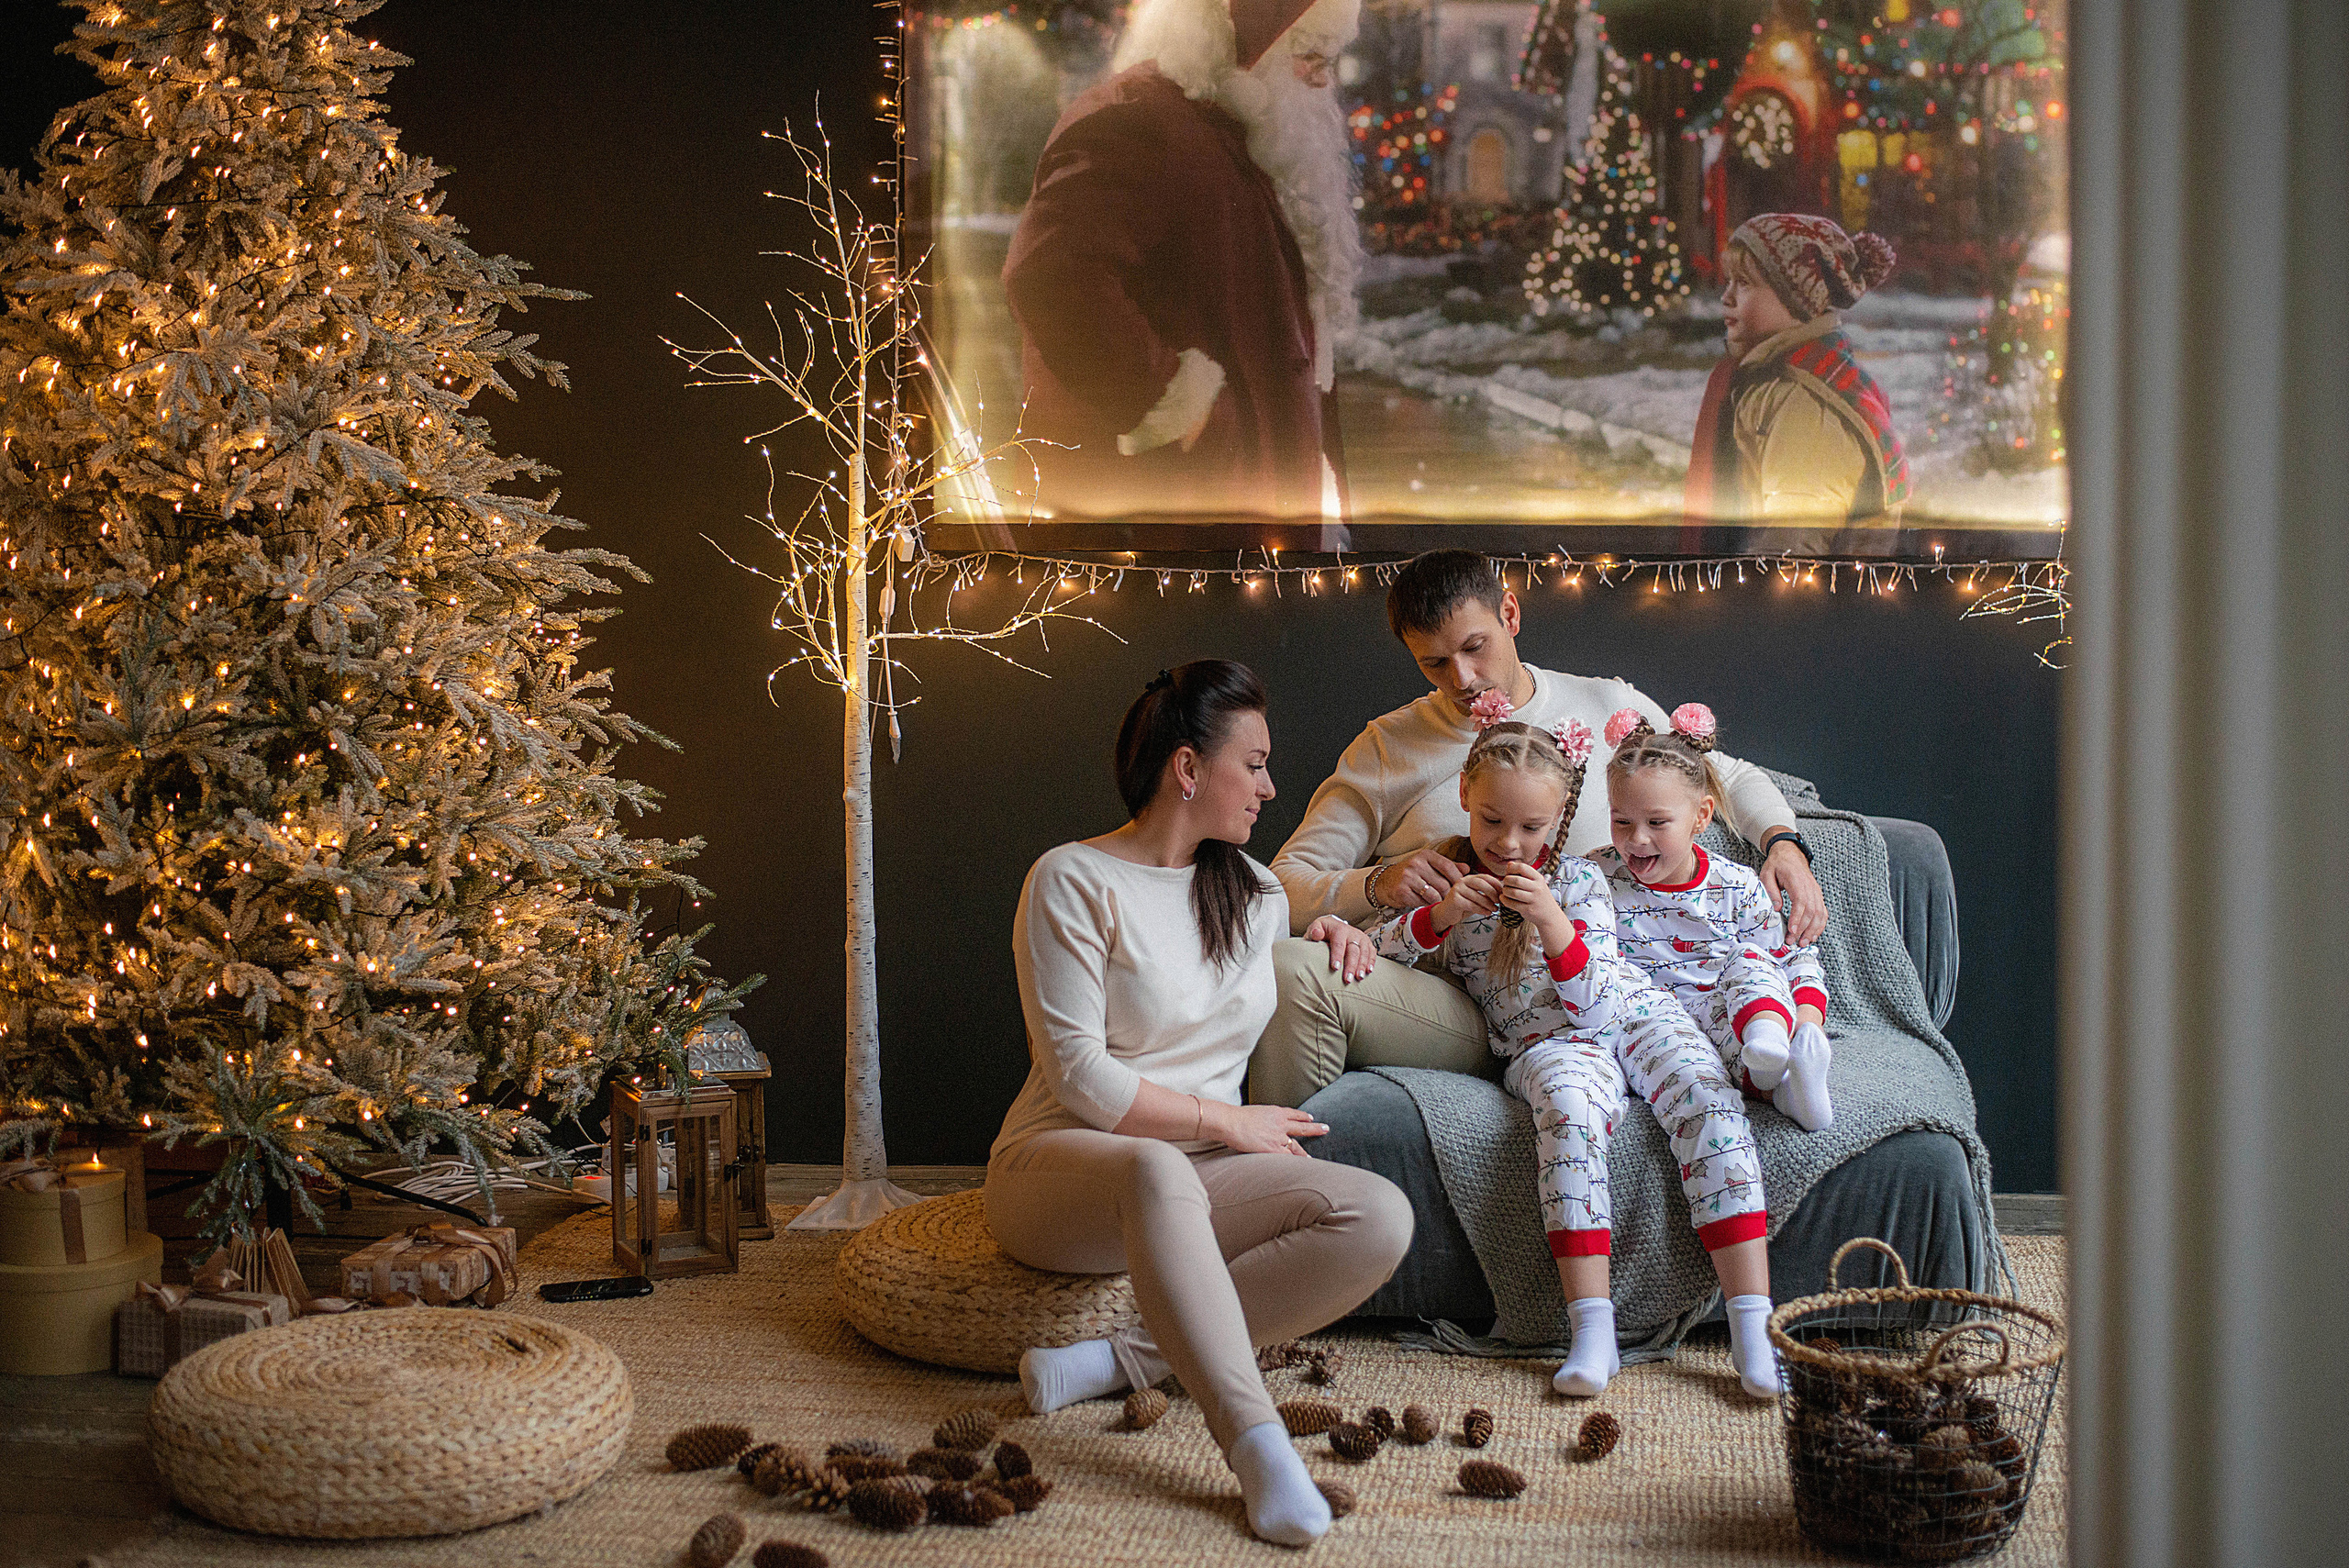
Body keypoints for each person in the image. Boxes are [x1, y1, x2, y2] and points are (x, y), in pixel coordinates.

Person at [988, 660, 1408, 1549]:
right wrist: (1226, 1121)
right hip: (1061, 1169)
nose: (1269, 786)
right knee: (1154, 1166)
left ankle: (1120, 1361)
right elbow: (1080, 1077)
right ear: (1187, 767)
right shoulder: (1071, 877)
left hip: (1190, 1175)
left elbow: (1285, 938)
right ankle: (1256, 1445)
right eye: (1252, 764)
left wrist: (1335, 928)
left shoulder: (1253, 891)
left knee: (1377, 1215)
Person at [1256, 549, 1826, 1107]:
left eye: (1474, 647)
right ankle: (1279, 1162)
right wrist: (1379, 883)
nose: (1462, 678)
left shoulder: (1608, 706)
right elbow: (1282, 885)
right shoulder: (1386, 748)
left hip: (1612, 982)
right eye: (1434, 663)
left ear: (1510, 614)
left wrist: (1783, 844)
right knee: (1292, 971)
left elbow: (1725, 775)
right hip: (1468, 998)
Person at [1358, 706, 1782, 1400]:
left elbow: (1597, 1004)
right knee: (1568, 1108)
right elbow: (1379, 947)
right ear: (1465, 795)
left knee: (1707, 1099)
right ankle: (1592, 1328)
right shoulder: (1449, 882)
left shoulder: (1582, 881)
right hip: (1551, 1045)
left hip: (1632, 1013)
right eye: (1493, 821)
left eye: (1532, 827)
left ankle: (1751, 1327)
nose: (1510, 843)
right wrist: (1441, 915)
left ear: (1561, 818)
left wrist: (1551, 919)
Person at [999, 0, 1364, 523]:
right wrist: (1171, 400)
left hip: (1234, 505)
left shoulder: (1239, 131)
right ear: (1245, 47)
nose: (1323, 80)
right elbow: (1050, 276)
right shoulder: (1137, 119)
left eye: (1330, 59)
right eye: (1309, 56)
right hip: (1168, 512)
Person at [1594, 704, 1835, 1132]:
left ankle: (1777, 1057)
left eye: (1657, 822)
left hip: (1730, 1014)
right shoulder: (1595, 877)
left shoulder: (1735, 885)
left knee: (1751, 959)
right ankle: (1776, 1085)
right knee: (1700, 1060)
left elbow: (1790, 959)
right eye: (1621, 821)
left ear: (1701, 817)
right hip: (1647, 1026)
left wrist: (1806, 1022)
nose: (1637, 839)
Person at [1683, 213, 1911, 534]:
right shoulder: (1772, 378)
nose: (1727, 297)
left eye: (1744, 283)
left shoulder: (1805, 408)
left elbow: (1792, 550)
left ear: (1798, 297)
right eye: (1729, 280)